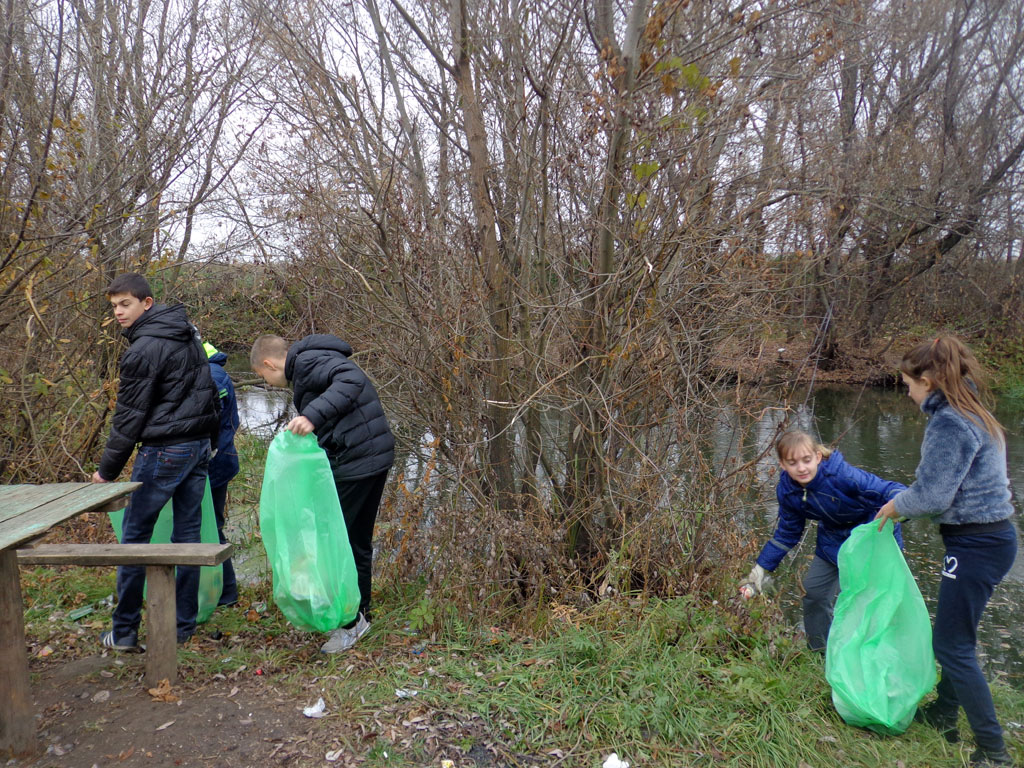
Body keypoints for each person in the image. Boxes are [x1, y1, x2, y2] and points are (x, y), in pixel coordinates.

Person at [876, 336, 1017, 768]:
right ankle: (943, 715)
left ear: (930, 380)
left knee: (951, 645)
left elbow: (935, 496)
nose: (907, 391)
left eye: (909, 384)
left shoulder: (950, 422)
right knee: (959, 638)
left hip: (976, 543)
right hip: (992, 539)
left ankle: (994, 752)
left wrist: (896, 506)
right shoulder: (975, 412)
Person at [92, 273, 220, 648]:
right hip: (196, 447)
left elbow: (129, 417)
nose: (118, 312)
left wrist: (106, 472)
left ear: (147, 303)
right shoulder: (187, 333)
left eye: (125, 304)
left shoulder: (143, 350)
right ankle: (181, 629)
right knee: (188, 539)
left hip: (167, 449)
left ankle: (125, 631)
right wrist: (208, 443)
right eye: (114, 306)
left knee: (134, 538)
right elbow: (208, 392)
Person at [250, 333, 394, 653]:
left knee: (337, 541)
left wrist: (312, 416)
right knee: (353, 540)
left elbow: (351, 379)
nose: (269, 383)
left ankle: (351, 623)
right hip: (370, 455)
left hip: (360, 460)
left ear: (269, 363)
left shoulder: (307, 363)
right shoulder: (310, 362)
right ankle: (359, 615)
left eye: (264, 377)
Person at [740, 430, 905, 652]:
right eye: (793, 462)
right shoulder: (789, 492)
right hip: (833, 542)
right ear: (782, 465)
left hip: (871, 540)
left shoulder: (842, 476)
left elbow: (889, 489)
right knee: (814, 593)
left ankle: (875, 655)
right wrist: (762, 567)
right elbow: (788, 532)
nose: (801, 468)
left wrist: (903, 506)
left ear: (817, 457)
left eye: (806, 460)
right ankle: (821, 654)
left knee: (871, 602)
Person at [204, 340, 241, 607]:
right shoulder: (208, 369)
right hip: (217, 463)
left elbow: (211, 425)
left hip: (213, 465)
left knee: (211, 527)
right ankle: (219, 591)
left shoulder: (211, 375)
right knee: (209, 526)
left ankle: (225, 593)